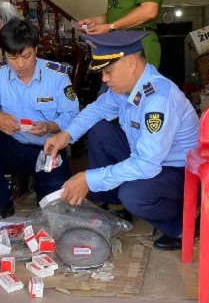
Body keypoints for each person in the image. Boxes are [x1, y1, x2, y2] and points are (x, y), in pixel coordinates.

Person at [44, 31, 199, 250]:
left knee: (134, 195)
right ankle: (116, 208)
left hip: (179, 172)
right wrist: (66, 135)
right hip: (150, 160)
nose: (104, 79)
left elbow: (147, 164)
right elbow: (97, 109)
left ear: (131, 63)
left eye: (108, 71)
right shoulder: (127, 88)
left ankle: (183, 225)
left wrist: (89, 178)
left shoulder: (158, 99)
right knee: (99, 130)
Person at [0, 18, 80, 220]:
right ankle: (1, 204)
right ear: (4, 53)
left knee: (56, 206)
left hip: (47, 149)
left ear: (35, 49)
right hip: (12, 147)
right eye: (12, 58)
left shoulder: (57, 77)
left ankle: (41, 187)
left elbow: (73, 117)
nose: (20, 65)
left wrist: (50, 125)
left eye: (26, 56)